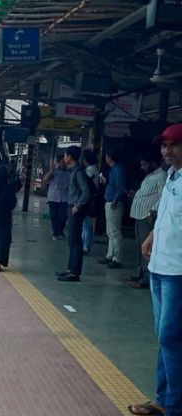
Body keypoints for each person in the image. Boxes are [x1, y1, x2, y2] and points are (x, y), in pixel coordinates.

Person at [130, 124, 182, 416]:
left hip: (178, 271)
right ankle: (163, 400)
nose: (167, 150)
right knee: (164, 337)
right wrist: (151, 236)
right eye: (164, 145)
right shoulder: (171, 177)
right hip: (159, 267)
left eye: (174, 144)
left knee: (171, 338)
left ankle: (174, 406)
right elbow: (165, 215)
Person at [126, 150, 167, 290]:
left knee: (147, 248)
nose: (142, 167)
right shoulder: (150, 176)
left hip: (147, 216)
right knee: (140, 247)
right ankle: (138, 273)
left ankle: (145, 279)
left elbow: (163, 196)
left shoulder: (161, 176)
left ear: (153, 163)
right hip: (139, 215)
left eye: (144, 164)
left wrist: (152, 211)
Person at [57, 145, 91, 283]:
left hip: (75, 209)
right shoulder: (73, 171)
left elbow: (86, 191)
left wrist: (78, 206)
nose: (64, 158)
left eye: (65, 155)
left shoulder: (78, 172)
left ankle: (74, 272)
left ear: (70, 157)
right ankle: (70, 269)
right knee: (71, 240)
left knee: (75, 240)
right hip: (71, 207)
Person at [102, 149, 128, 269]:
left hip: (114, 203)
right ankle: (110, 255)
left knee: (115, 231)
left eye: (106, 156)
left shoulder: (118, 169)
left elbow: (121, 187)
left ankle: (117, 258)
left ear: (110, 157)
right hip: (110, 201)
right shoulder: (113, 169)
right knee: (110, 232)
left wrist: (115, 200)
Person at [41, 154, 71, 239]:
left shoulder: (69, 173)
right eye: (62, 162)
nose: (64, 163)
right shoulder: (54, 172)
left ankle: (60, 230)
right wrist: (51, 171)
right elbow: (45, 179)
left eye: (65, 162)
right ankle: (55, 233)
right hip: (53, 197)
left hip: (65, 198)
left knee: (63, 216)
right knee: (54, 216)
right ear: (58, 162)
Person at [82, 149, 104, 255]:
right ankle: (86, 245)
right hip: (93, 199)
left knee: (86, 225)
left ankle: (86, 246)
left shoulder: (89, 170)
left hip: (88, 200)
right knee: (87, 224)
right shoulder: (96, 170)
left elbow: (86, 186)